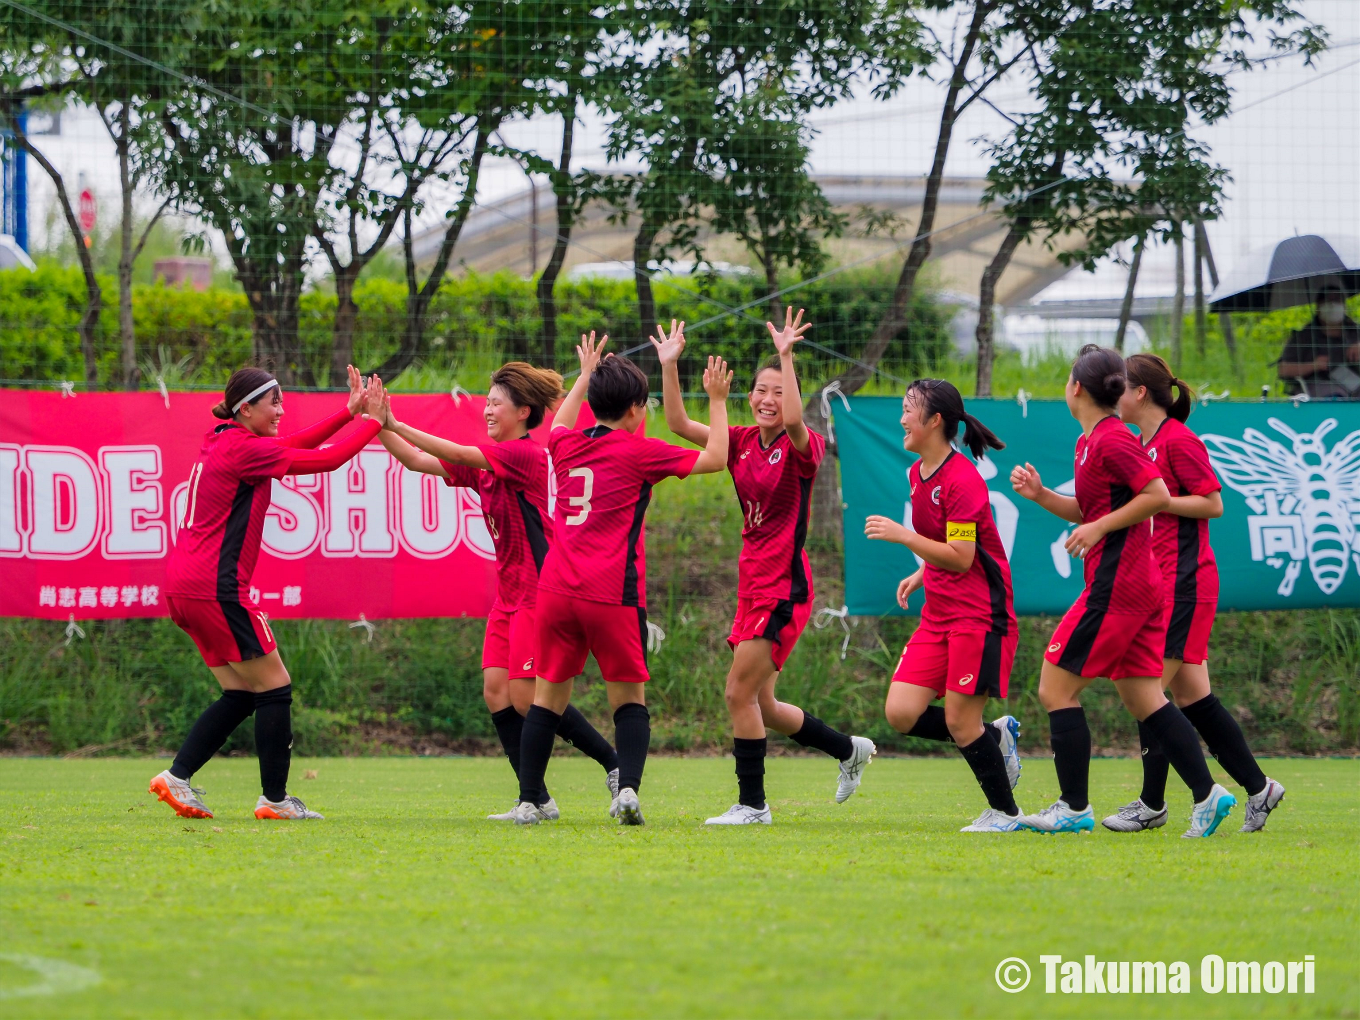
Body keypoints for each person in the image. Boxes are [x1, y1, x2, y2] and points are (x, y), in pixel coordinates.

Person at [654, 311, 875, 826]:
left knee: (736, 693)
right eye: (760, 390)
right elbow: (677, 424)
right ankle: (849, 750)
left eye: (777, 390)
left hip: (784, 587)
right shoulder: (741, 442)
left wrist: (786, 354)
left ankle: (753, 806)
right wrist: (670, 367)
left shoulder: (803, 447)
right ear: (748, 395)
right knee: (765, 706)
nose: (768, 399)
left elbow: (798, 420)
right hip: (752, 585)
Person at [375, 362, 622, 820]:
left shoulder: (523, 455)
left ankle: (608, 766)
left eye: (495, 403)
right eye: (486, 402)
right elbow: (416, 460)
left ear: (524, 412)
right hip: (508, 597)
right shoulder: (490, 465)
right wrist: (374, 423)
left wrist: (394, 421)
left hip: (538, 593)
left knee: (529, 699)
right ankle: (539, 798)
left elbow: (458, 453)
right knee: (496, 692)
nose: (486, 410)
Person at [1009, 344, 1237, 838]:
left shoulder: (1112, 440)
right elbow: (1091, 511)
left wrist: (1099, 529)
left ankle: (1073, 807)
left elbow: (1155, 496)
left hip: (1118, 585)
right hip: (1138, 585)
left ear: (1076, 388)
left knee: (1055, 687)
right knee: (1144, 698)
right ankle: (1208, 793)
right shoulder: (1090, 441)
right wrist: (1043, 495)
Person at [508, 333, 733, 825]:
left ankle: (530, 800)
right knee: (628, 700)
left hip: (555, 590)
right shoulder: (640, 452)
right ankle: (626, 791)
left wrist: (586, 374)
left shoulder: (564, 445)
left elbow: (562, 421)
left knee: (547, 698)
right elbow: (717, 457)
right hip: (610, 593)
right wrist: (716, 402)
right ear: (635, 410)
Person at [150, 365, 386, 821]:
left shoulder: (225, 439)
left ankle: (177, 779)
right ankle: (275, 801)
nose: (281, 410)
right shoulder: (242, 449)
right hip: (216, 588)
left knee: (241, 692)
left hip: (185, 587)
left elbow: (293, 446)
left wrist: (348, 413)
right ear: (245, 408)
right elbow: (328, 461)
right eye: (272, 402)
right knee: (275, 688)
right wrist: (374, 422)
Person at [1108, 354, 1285, 833]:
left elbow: (1213, 503)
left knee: (1147, 689)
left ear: (1140, 392)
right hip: (1161, 583)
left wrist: (1159, 500)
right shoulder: (1140, 444)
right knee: (1194, 699)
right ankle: (1258, 787)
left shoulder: (1178, 441)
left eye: (1120, 386)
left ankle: (1153, 804)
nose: (1114, 395)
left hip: (1185, 582)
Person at [863, 380, 1024, 832]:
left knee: (958, 719)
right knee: (900, 712)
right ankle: (995, 737)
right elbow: (946, 545)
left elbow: (963, 556)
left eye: (909, 410)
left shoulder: (962, 479)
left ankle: (1005, 814)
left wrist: (904, 536)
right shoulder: (918, 474)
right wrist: (920, 573)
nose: (902, 419)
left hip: (979, 613)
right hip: (939, 612)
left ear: (935, 421)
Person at [1277, 279, 1360, 397]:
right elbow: (1283, 370)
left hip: (1354, 385)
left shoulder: (1355, 331)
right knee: (1334, 397)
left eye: (1337, 300)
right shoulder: (1304, 336)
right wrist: (1313, 365)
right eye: (1328, 300)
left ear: (1344, 306)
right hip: (1318, 389)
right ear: (1318, 306)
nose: (1333, 305)